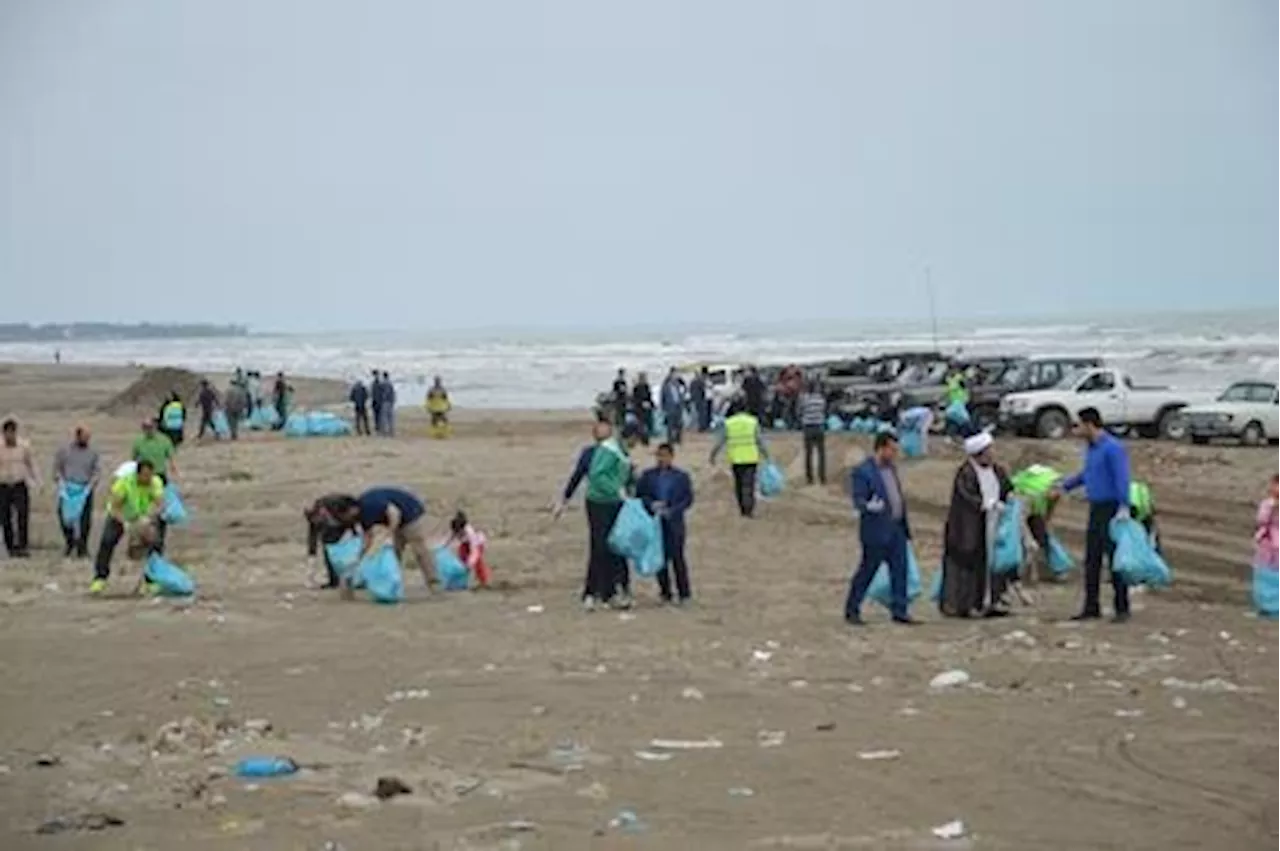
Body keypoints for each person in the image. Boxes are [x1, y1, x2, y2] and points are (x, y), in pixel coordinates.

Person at [1054, 407, 1132, 623]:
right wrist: (1065, 485)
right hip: (1096, 508)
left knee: (1115, 560)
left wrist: (1124, 506)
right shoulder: (1092, 449)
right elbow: (1087, 475)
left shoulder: (1113, 448)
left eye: (1078, 425)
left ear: (1090, 425)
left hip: (1112, 508)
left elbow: (1122, 477)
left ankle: (1122, 607)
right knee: (1092, 559)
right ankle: (1091, 606)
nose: (1076, 430)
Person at [556, 420, 637, 610]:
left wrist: (629, 494)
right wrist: (565, 499)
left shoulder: (622, 451)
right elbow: (593, 475)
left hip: (615, 503)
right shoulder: (604, 451)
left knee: (616, 546)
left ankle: (613, 591)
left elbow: (624, 477)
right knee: (599, 546)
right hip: (599, 503)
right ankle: (591, 592)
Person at [844, 432, 917, 626]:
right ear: (881, 448)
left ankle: (900, 609)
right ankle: (852, 609)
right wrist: (868, 506)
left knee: (900, 570)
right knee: (867, 570)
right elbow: (858, 499)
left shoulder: (891, 469)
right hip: (875, 530)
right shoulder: (863, 471)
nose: (895, 453)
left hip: (896, 528)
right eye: (892, 449)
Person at [939, 431, 1015, 618]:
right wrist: (985, 505)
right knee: (969, 566)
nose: (992, 454)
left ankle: (993, 601)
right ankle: (968, 604)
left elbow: (1007, 488)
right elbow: (966, 497)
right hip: (970, 528)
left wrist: (1008, 500)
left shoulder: (997, 470)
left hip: (994, 524)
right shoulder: (965, 473)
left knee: (995, 564)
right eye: (988, 451)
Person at [328, 486, 436, 591]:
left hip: (410, 511)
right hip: (395, 519)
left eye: (343, 515)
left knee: (418, 548)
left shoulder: (371, 504)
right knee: (394, 552)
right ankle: (391, 582)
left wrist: (389, 532)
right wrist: (360, 557)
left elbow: (394, 513)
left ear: (351, 509)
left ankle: (433, 581)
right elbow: (367, 537)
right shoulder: (361, 517)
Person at [90, 458, 166, 594]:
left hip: (143, 516)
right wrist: (125, 523)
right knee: (107, 540)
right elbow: (115, 507)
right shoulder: (124, 483)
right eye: (145, 475)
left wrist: (148, 517)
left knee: (156, 542)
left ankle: (152, 580)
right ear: (138, 474)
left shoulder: (155, 482)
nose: (148, 478)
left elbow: (159, 504)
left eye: (150, 475)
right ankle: (100, 578)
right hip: (122, 515)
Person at [636, 443, 695, 605]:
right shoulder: (648, 476)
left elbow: (688, 499)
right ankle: (665, 592)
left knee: (677, 558)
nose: (662, 459)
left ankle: (684, 593)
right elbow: (640, 496)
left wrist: (673, 510)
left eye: (665, 456)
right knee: (660, 558)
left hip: (675, 522)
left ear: (671, 456)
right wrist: (651, 505)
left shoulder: (681, 476)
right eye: (659, 456)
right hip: (656, 522)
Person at [709, 402, 768, 518]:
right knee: (749, 484)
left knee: (739, 484)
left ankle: (742, 508)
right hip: (751, 457)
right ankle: (749, 508)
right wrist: (766, 454)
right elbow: (759, 440)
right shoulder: (752, 422)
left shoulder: (729, 423)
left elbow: (720, 441)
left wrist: (713, 455)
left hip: (735, 458)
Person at [52, 425, 101, 558]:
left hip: (85, 489)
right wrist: (59, 481)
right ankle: (69, 542)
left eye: (88, 437)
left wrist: (93, 483)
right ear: (77, 436)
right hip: (67, 489)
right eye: (84, 437)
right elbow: (57, 467)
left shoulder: (93, 453)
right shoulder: (64, 451)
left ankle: (82, 547)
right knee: (63, 517)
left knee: (85, 519)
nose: (86, 440)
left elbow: (97, 470)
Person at [0, 418, 39, 559]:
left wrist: (36, 481)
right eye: (7, 433)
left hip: (19, 485)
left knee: (22, 516)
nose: (9, 436)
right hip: (3, 486)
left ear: (15, 432)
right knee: (5, 518)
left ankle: (23, 546)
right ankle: (10, 546)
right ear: (3, 433)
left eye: (12, 432)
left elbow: (31, 464)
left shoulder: (24, 446)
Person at [304, 493, 362, 589]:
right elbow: (312, 540)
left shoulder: (333, 502)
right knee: (327, 548)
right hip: (334, 528)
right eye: (316, 523)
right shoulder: (316, 521)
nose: (318, 523)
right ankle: (333, 581)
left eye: (318, 520)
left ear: (321, 512)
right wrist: (311, 562)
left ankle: (356, 577)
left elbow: (353, 505)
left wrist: (355, 530)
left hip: (347, 523)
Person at [445, 510, 491, 587]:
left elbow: (474, 552)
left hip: (478, 543)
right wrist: (445, 546)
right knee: (462, 557)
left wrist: (469, 564)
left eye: (459, 532)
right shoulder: (457, 529)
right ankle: (462, 579)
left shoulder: (470, 533)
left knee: (478, 563)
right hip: (465, 543)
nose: (458, 534)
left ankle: (484, 581)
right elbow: (451, 538)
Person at [798, 379, 828, 485]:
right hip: (819, 427)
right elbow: (824, 410)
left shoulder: (804, 400)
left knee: (808, 454)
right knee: (821, 453)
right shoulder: (820, 399)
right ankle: (822, 477)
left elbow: (799, 411)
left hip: (808, 427)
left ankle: (810, 478)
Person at [132, 419, 180, 485]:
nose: (148, 430)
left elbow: (170, 455)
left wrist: (173, 467)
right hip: (144, 473)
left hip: (159, 472)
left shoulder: (164, 439)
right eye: (145, 427)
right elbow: (134, 458)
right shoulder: (138, 441)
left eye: (150, 427)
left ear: (155, 427)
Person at [660, 369, 685, 445]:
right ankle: (670, 440)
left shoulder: (678, 384)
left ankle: (678, 439)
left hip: (678, 406)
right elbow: (662, 397)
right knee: (670, 424)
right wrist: (663, 408)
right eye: (674, 374)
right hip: (670, 407)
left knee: (679, 423)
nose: (675, 376)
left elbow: (682, 393)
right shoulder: (666, 385)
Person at [632, 372, 654, 444]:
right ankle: (643, 439)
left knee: (647, 424)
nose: (644, 379)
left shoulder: (646, 386)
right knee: (641, 425)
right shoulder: (637, 387)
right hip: (639, 409)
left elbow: (649, 397)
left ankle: (645, 439)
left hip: (647, 409)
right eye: (643, 378)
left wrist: (651, 404)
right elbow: (635, 399)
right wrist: (641, 403)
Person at [690, 368, 710, 432]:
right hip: (701, 399)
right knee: (702, 414)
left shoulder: (692, 382)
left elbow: (691, 391)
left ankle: (701, 426)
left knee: (699, 414)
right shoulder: (700, 381)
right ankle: (702, 427)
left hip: (696, 399)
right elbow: (703, 389)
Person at [382, 372, 397, 436]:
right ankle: (391, 431)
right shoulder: (390, 383)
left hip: (385, 402)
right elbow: (393, 393)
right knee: (391, 417)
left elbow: (385, 393)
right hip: (390, 402)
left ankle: (386, 431)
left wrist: (383, 398)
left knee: (385, 417)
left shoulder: (383, 383)